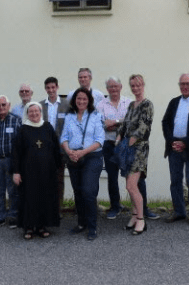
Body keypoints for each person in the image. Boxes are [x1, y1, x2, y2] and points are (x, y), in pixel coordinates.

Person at [161, 73, 189, 225]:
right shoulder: (174, 102)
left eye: (188, 83)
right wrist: (172, 141)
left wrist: (185, 143)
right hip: (174, 148)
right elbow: (165, 122)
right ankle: (179, 212)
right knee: (175, 181)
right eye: (182, 84)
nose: (185, 87)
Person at [61, 88, 105, 241]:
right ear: (74, 100)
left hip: (92, 157)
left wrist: (82, 152)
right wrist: (69, 151)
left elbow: (100, 140)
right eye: (78, 99)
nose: (81, 101)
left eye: (84, 99)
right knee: (78, 191)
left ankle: (92, 227)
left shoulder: (96, 116)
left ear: (89, 101)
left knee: (88, 191)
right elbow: (64, 138)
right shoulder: (69, 117)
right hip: (73, 157)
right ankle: (81, 223)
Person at [12, 102, 61, 239]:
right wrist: (16, 171)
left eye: (36, 111)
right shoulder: (23, 129)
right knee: (29, 199)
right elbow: (16, 152)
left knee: (44, 198)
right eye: (31, 111)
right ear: (27, 114)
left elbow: (55, 147)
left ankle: (41, 226)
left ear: (41, 112)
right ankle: (28, 227)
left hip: (47, 172)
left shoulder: (48, 127)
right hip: (28, 173)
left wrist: (58, 166)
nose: (34, 114)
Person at [116, 75, 153, 236]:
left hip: (138, 149)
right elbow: (125, 124)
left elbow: (143, 127)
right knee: (129, 186)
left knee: (131, 186)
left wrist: (129, 142)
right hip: (126, 147)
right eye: (132, 86)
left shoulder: (147, 104)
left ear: (143, 85)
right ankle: (133, 216)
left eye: (138, 85)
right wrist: (119, 138)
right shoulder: (131, 105)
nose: (135, 88)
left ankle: (141, 219)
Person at [96, 76, 131, 220]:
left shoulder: (129, 102)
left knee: (132, 175)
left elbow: (131, 122)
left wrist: (115, 122)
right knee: (112, 177)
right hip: (109, 144)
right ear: (107, 89)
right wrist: (119, 123)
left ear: (121, 87)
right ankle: (115, 206)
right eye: (110, 87)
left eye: (115, 86)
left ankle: (141, 207)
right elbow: (100, 125)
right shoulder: (101, 105)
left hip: (126, 144)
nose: (113, 89)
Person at [0, 95, 21, 229]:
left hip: (10, 159)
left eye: (3, 105)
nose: (1, 107)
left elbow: (20, 143)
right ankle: (0, 216)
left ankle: (13, 215)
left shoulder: (16, 120)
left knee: (12, 189)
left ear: (8, 105)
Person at [39, 76, 70, 208]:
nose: (51, 90)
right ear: (45, 89)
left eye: (53, 87)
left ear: (57, 87)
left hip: (60, 149)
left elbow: (69, 127)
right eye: (48, 88)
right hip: (44, 149)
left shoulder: (66, 104)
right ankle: (46, 207)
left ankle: (58, 208)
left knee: (58, 180)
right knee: (44, 179)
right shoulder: (40, 105)